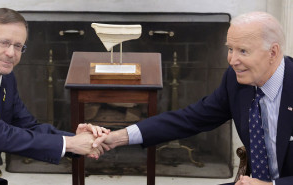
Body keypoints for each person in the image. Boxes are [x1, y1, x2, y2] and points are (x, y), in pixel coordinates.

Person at [93, 11, 293, 185]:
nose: (232, 60)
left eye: (243, 51)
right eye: (230, 49)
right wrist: (118, 137)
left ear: (273, 52)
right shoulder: (236, 81)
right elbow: (189, 119)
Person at [0, 8, 109, 185]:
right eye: (4, 43)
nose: (11, 53)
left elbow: (28, 126)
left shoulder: (5, 77)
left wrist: (73, 138)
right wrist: (70, 143)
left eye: (18, 46)